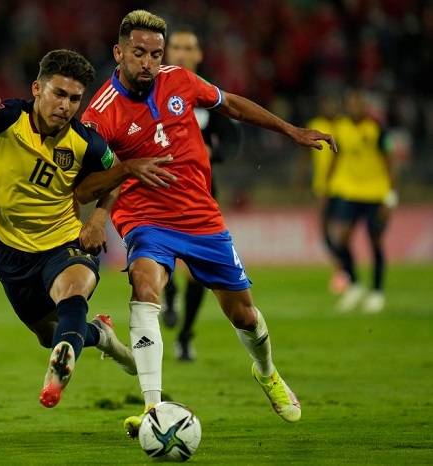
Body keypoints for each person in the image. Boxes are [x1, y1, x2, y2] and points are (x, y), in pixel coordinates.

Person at [80, 10, 337, 438]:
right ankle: (153, 408)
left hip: (201, 215)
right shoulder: (100, 113)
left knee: (245, 316)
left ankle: (267, 372)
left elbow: (230, 103)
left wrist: (289, 130)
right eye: (139, 53)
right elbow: (84, 186)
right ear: (119, 53)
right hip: (145, 217)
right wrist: (119, 181)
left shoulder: (179, 79)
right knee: (144, 286)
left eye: (155, 54)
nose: (148, 63)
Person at [0, 49, 175, 409]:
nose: (66, 106)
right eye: (59, 94)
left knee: (73, 295)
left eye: (74, 98)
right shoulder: (7, 117)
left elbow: (114, 174)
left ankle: (56, 376)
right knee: (48, 335)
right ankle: (101, 336)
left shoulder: (86, 142)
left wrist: (98, 218)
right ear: (37, 89)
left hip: (65, 241)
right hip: (11, 250)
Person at [159, 25, 242, 361]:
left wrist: (214, 154)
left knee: (197, 272)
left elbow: (233, 138)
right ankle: (169, 295)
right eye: (176, 47)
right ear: (167, 53)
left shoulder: (207, 93)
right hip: (158, 190)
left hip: (200, 192)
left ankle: (185, 335)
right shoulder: (152, 90)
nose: (181, 53)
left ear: (198, 55)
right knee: (156, 256)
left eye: (188, 48)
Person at [328, 88, 396, 314]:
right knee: (342, 238)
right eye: (351, 104)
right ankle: (355, 284)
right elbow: (336, 157)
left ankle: (377, 292)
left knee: (375, 241)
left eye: (358, 104)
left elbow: (390, 161)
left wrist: (391, 196)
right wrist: (329, 186)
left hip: (375, 193)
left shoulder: (378, 128)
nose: (354, 108)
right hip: (349, 192)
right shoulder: (341, 127)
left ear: (365, 106)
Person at [301, 92, 349, 294]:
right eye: (326, 104)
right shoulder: (315, 124)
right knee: (325, 233)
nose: (329, 107)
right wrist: (299, 179)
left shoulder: (345, 126)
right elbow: (305, 154)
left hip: (342, 186)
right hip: (320, 186)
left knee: (343, 231)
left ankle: (343, 270)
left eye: (333, 104)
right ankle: (341, 266)